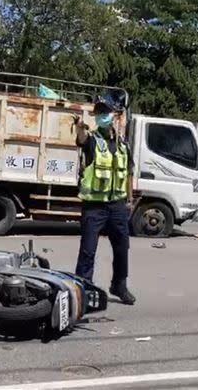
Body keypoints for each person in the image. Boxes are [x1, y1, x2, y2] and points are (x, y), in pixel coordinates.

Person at [73, 96, 136, 305]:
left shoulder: (123, 145)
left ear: (115, 115)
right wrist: (80, 128)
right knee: (88, 249)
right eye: (98, 113)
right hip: (94, 207)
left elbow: (128, 172)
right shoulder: (92, 140)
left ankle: (119, 284)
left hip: (117, 205)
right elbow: (81, 140)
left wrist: (129, 199)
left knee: (122, 248)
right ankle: (83, 289)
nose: (102, 116)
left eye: (105, 112)